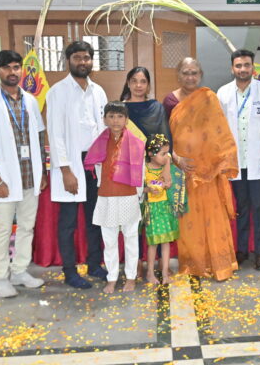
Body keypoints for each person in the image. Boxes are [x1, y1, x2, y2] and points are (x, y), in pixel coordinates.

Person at [0, 50, 47, 298]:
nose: (13, 72)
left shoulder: (31, 100)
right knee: (3, 229)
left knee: (27, 227)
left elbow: (39, 137)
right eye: (7, 67)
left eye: (16, 67)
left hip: (29, 176)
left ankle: (19, 271)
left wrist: (42, 172)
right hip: (4, 178)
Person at [168, 57, 239, 281]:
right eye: (186, 73)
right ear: (178, 75)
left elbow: (220, 132)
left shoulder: (209, 98)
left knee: (212, 218)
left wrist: (221, 161)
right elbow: (164, 136)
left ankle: (217, 263)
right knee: (188, 220)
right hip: (182, 172)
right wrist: (176, 158)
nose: (190, 77)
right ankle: (193, 263)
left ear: (200, 75)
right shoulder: (170, 101)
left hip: (208, 172)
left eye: (194, 73)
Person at [46, 41, 108, 289]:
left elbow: (104, 130)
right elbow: (55, 134)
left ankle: (94, 264)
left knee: (95, 218)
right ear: (68, 60)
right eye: (77, 58)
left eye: (86, 58)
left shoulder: (98, 91)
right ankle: (70, 271)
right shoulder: (58, 91)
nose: (82, 62)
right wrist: (65, 171)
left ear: (92, 61)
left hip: (94, 164)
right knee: (69, 222)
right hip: (70, 163)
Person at [218, 49, 260, 271]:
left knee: (259, 207)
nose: (243, 69)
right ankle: (242, 250)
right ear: (232, 68)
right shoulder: (223, 93)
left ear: (253, 67)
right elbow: (219, 129)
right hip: (235, 163)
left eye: (246, 65)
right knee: (241, 208)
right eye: (238, 65)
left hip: (259, 162)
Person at [83, 101, 144, 293]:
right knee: (109, 240)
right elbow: (96, 169)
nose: (115, 120)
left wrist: (139, 196)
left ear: (126, 120)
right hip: (107, 196)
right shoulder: (99, 143)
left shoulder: (136, 143)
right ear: (104, 119)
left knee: (131, 238)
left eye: (119, 116)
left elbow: (141, 171)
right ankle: (112, 277)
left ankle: (131, 277)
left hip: (128, 195)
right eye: (111, 116)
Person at [119, 66, 171, 278]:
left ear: (148, 85)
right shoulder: (121, 109)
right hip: (129, 170)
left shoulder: (156, 107)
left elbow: (166, 140)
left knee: (154, 218)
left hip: (154, 170)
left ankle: (156, 263)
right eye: (134, 81)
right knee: (134, 220)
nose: (138, 85)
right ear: (128, 83)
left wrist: (166, 168)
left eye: (143, 81)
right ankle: (136, 262)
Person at [143, 134, 184, 284]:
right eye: (162, 154)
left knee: (166, 241)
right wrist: (148, 189)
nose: (166, 156)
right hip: (152, 209)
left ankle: (165, 272)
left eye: (167, 153)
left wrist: (166, 162)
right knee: (153, 243)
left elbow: (168, 181)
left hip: (165, 207)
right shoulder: (144, 168)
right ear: (150, 154)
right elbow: (139, 189)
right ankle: (150, 272)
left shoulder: (166, 166)